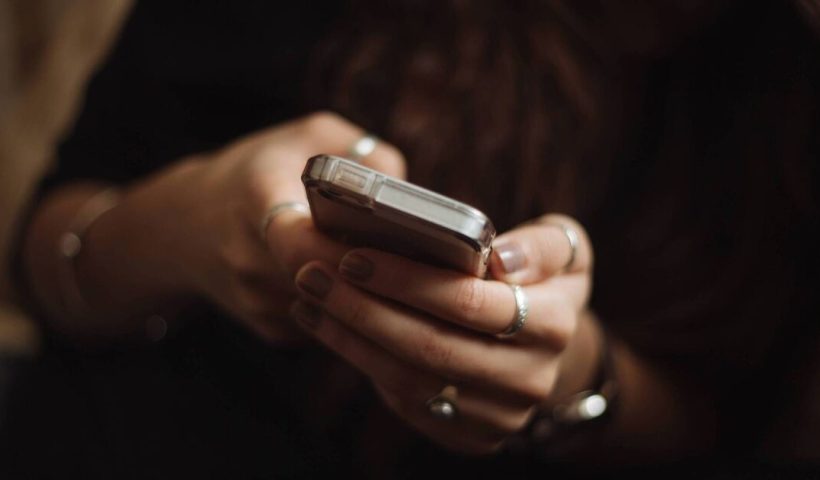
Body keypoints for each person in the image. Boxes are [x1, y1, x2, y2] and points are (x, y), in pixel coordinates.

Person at [2, 0, 819, 478]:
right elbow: (36, 266)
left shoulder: (786, 80)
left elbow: (738, 433)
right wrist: (192, 221)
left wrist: (577, 378)